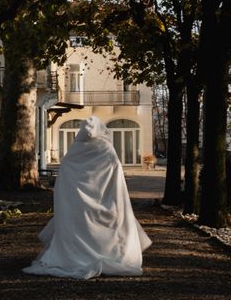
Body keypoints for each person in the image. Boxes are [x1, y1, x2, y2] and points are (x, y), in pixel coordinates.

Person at [23, 116, 152, 279]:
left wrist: (68, 201)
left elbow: (65, 175)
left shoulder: (75, 150)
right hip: (104, 201)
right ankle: (112, 254)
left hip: (77, 204)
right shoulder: (106, 149)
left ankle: (74, 256)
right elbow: (115, 176)